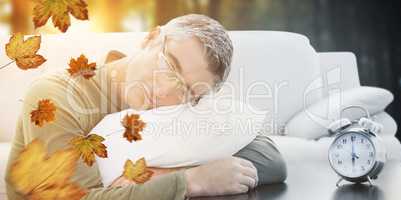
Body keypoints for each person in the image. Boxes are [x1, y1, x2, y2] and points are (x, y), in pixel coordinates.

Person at [5, 14, 287, 199]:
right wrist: (190, 181)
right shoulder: (57, 96)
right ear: (150, 38)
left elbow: (270, 159)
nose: (166, 90)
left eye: (186, 89)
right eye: (169, 65)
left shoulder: (180, 107)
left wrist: (154, 177)